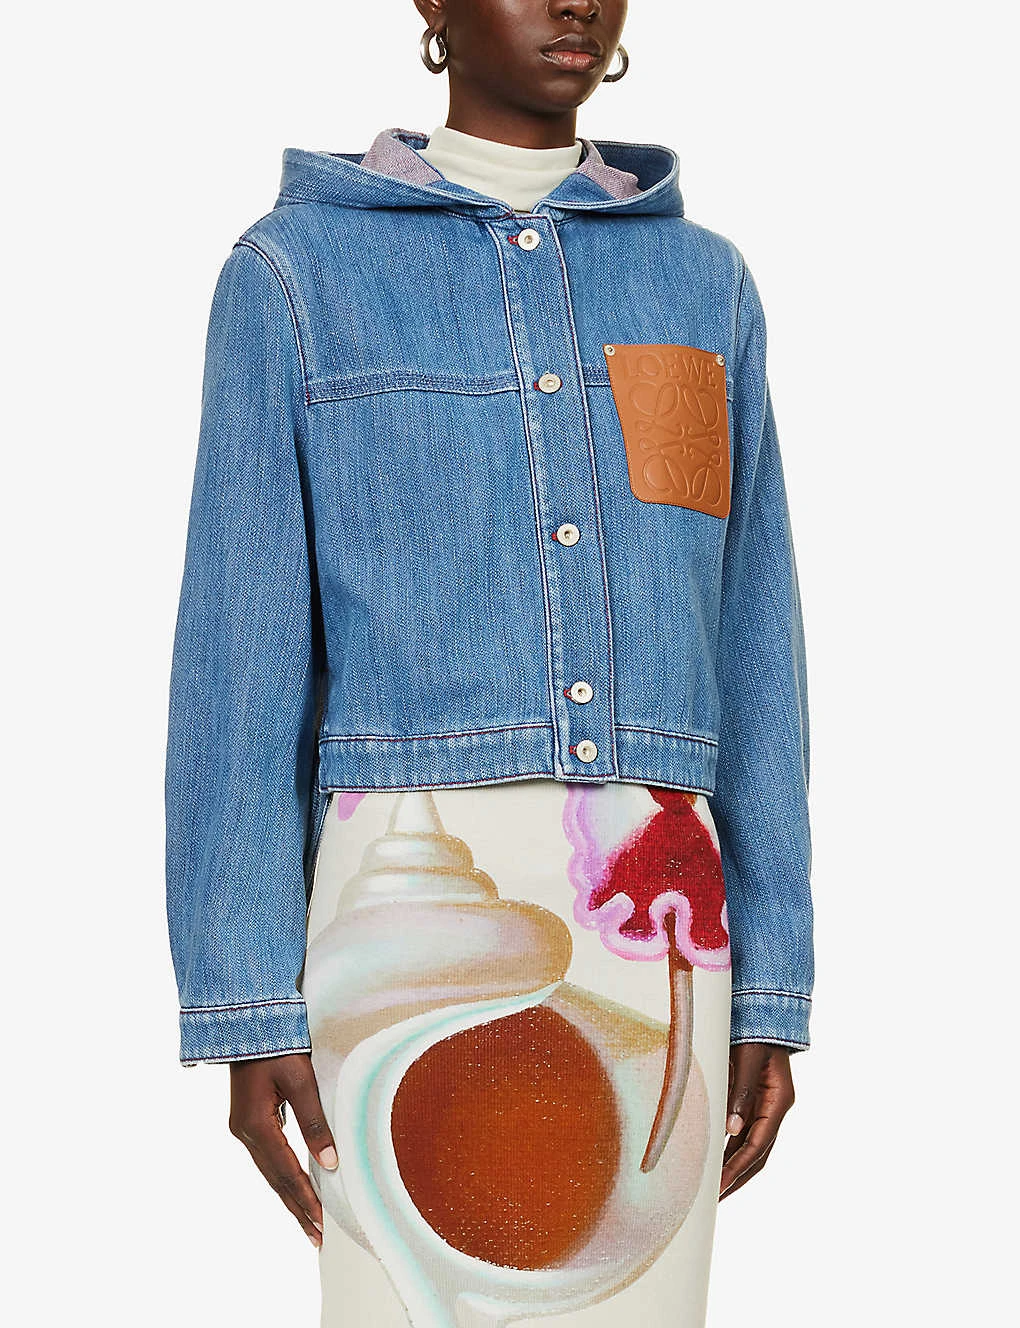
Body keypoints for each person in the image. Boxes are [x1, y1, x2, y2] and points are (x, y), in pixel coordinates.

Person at [164, 1, 813, 1323]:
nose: (575, 1)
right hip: (391, 919)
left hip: (664, 920)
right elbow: (240, 655)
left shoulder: (703, 284)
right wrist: (244, 1002)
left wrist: (776, 979)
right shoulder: (296, 276)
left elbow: (755, 642)